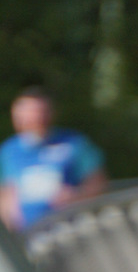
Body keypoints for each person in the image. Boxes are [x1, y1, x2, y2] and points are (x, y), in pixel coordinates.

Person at [0, 88, 107, 232]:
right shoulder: (8, 150)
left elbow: (98, 184)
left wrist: (76, 196)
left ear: (50, 113)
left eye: (39, 112)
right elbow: (6, 193)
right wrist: (11, 223)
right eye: (28, 113)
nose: (35, 118)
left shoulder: (74, 143)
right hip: (28, 233)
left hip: (70, 229)